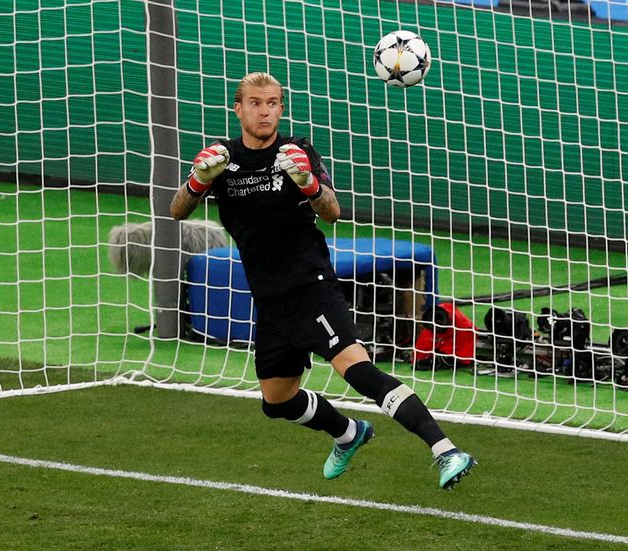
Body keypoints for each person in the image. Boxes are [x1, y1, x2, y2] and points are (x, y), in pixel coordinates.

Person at [170, 72, 476, 489]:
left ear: (281, 107)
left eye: (273, 103)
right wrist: (199, 180)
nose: (266, 110)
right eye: (257, 103)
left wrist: (308, 183)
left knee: (358, 370)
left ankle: (446, 450)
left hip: (311, 286)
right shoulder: (222, 159)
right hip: (270, 299)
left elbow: (331, 211)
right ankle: (349, 433)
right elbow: (177, 211)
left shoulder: (298, 152)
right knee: (277, 402)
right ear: (238, 108)